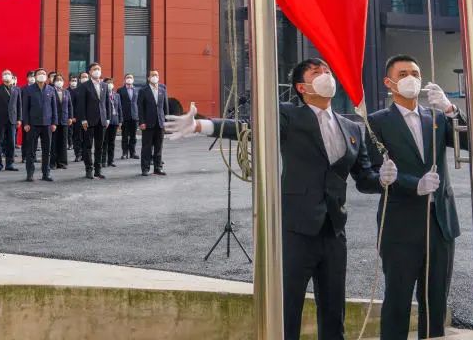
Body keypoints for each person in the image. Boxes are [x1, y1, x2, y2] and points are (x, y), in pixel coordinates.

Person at [165, 58, 398, 340]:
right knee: (288, 309)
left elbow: (364, 178)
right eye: (316, 72)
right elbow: (249, 128)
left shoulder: (352, 128)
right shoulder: (288, 115)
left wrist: (382, 179)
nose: (326, 75)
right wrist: (202, 126)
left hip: (334, 230)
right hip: (296, 229)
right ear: (301, 87)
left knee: (334, 310)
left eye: (327, 71)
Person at [367, 55, 466, 340]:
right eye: (403, 74)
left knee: (435, 301)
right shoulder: (377, 121)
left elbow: (470, 142)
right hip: (400, 224)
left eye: (415, 73)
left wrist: (450, 109)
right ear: (389, 83)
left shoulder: (437, 117)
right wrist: (413, 185)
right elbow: (374, 171)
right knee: (397, 301)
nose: (411, 78)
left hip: (440, 222)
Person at [21, 69, 58, 181]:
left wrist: (54, 122)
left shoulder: (51, 89)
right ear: (35, 76)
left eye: (43, 74)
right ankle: (30, 174)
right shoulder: (28, 89)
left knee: (47, 151)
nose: (41, 75)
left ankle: (46, 174)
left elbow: (54, 107)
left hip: (47, 124)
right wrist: (26, 123)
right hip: (32, 124)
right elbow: (25, 108)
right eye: (39, 74)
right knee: (31, 150)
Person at [75, 63, 111, 180]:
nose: (97, 71)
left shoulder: (105, 85)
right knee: (88, 146)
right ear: (90, 72)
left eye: (99, 69)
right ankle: (89, 169)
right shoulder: (84, 86)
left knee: (100, 147)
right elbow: (81, 105)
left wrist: (108, 118)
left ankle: (98, 170)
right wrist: (83, 119)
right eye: (94, 69)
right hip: (89, 121)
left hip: (102, 120)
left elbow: (107, 103)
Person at [138, 71, 168, 177]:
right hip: (147, 123)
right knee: (147, 147)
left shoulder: (162, 90)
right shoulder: (143, 91)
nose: (155, 77)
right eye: (152, 75)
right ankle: (145, 169)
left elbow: (165, 107)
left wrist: (166, 122)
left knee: (159, 147)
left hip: (160, 123)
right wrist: (141, 122)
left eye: (156, 75)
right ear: (148, 78)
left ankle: (158, 168)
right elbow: (140, 108)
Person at [0, 70, 21, 172]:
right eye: (4, 74)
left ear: (12, 77)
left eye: (8, 74)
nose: (6, 75)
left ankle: (10, 164)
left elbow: (19, 105)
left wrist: (19, 119)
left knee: (11, 143)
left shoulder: (16, 89)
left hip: (12, 119)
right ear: (2, 77)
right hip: (0, 120)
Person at [51, 73, 73, 169]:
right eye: (57, 80)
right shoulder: (51, 91)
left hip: (64, 120)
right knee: (54, 142)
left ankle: (62, 162)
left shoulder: (66, 92)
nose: (59, 81)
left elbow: (70, 106)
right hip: (54, 121)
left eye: (61, 80)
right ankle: (53, 163)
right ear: (54, 81)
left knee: (63, 142)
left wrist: (70, 117)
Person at [118, 74, 140, 160]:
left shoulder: (137, 90)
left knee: (133, 136)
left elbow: (139, 103)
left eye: (131, 77)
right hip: (125, 116)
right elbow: (118, 104)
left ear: (133, 79)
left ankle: (132, 153)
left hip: (134, 116)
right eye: (127, 77)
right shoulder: (120, 90)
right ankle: (124, 153)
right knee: (125, 136)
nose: (129, 79)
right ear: (124, 80)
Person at [104, 77, 121, 168]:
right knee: (104, 142)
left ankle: (110, 160)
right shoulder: (103, 94)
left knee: (112, 142)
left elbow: (119, 108)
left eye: (111, 82)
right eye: (108, 83)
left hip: (115, 120)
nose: (110, 84)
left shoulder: (116, 95)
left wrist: (120, 121)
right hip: (106, 121)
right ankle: (103, 160)